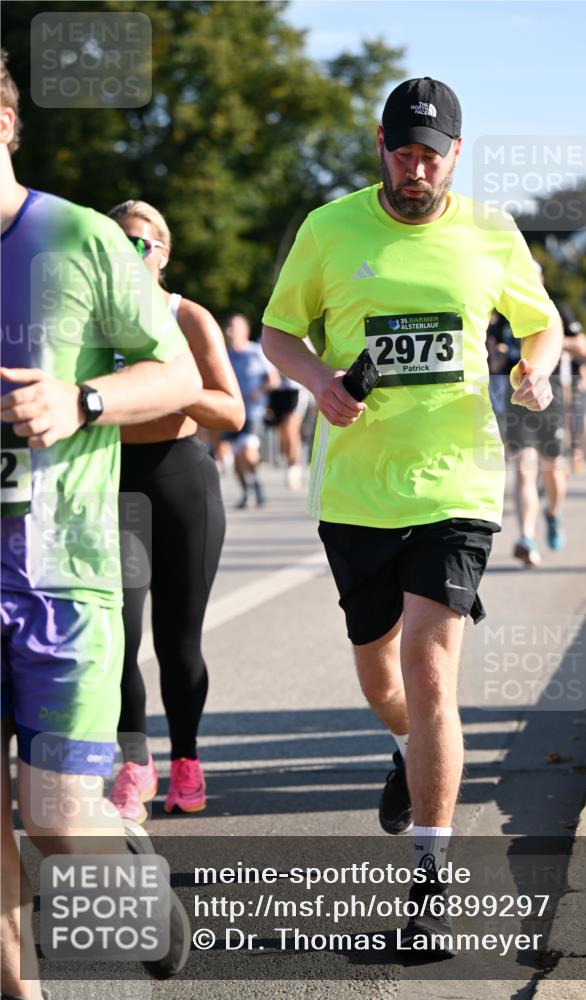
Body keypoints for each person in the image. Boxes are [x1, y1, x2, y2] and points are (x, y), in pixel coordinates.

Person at [261, 76, 563, 953]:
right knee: (380, 677)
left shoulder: (489, 232)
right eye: (403, 150)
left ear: (456, 155)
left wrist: (533, 368)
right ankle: (403, 750)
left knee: (432, 675)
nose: (416, 167)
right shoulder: (329, 227)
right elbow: (282, 331)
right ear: (380, 145)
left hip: (456, 482)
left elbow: (539, 322)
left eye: (432, 154)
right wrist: (318, 381)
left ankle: (430, 883)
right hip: (355, 490)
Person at [0, 52, 199, 998]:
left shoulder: (78, 238)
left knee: (56, 825)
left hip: (61, 578)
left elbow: (177, 377)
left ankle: (137, 890)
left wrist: (80, 399)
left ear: (5, 124)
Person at [106, 200, 245, 823]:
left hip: (180, 480)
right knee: (116, 640)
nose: (132, 254)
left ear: (164, 253)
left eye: (143, 243)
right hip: (108, 485)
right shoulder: (86, 321)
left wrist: (173, 384)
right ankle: (134, 763)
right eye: (118, 243)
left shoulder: (186, 317)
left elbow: (232, 412)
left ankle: (186, 759)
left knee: (177, 642)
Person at [501, 270, 586, 565]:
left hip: (552, 398)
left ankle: (552, 514)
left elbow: (583, 348)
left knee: (552, 471)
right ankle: (526, 537)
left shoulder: (557, 309)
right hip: (515, 400)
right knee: (525, 470)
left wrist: (547, 340)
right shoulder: (503, 310)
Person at [223, 313, 278, 508]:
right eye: (228, 327)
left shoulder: (257, 352)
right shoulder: (224, 354)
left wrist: (259, 391)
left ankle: (256, 482)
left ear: (245, 331)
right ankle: (246, 491)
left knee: (248, 450)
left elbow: (274, 380)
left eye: (235, 327)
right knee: (237, 457)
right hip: (232, 412)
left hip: (254, 411)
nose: (230, 332)